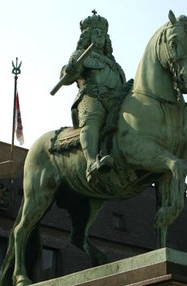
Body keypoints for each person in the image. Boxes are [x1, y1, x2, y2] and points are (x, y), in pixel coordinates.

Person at [59, 10, 127, 183]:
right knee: (93, 119)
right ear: (87, 36)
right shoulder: (80, 56)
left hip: (114, 100)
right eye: (96, 32)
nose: (100, 35)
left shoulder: (114, 65)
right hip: (91, 96)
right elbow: (67, 77)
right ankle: (91, 164)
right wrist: (69, 70)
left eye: (103, 33)